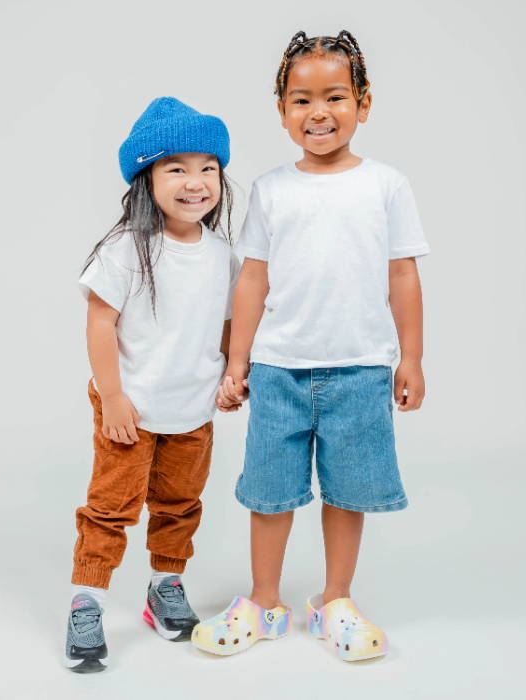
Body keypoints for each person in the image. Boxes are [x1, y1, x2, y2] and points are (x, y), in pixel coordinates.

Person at [192, 30, 430, 662]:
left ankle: (335, 600)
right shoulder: (272, 189)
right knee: (269, 490)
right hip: (279, 369)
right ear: (282, 111)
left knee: (349, 491)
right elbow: (253, 278)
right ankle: (264, 602)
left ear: (363, 102)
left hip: (361, 370)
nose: (318, 112)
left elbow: (403, 274)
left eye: (334, 97)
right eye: (301, 100)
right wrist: (236, 362)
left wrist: (412, 357)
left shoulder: (386, 185)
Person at [65, 97, 240, 672]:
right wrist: (112, 395)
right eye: (177, 168)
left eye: (207, 168)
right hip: (131, 409)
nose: (196, 182)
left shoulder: (222, 255)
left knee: (180, 504)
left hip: (193, 410)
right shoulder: (125, 249)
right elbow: (100, 322)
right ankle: (85, 601)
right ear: (146, 178)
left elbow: (227, 323)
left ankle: (165, 586)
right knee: (110, 507)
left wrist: (234, 371)